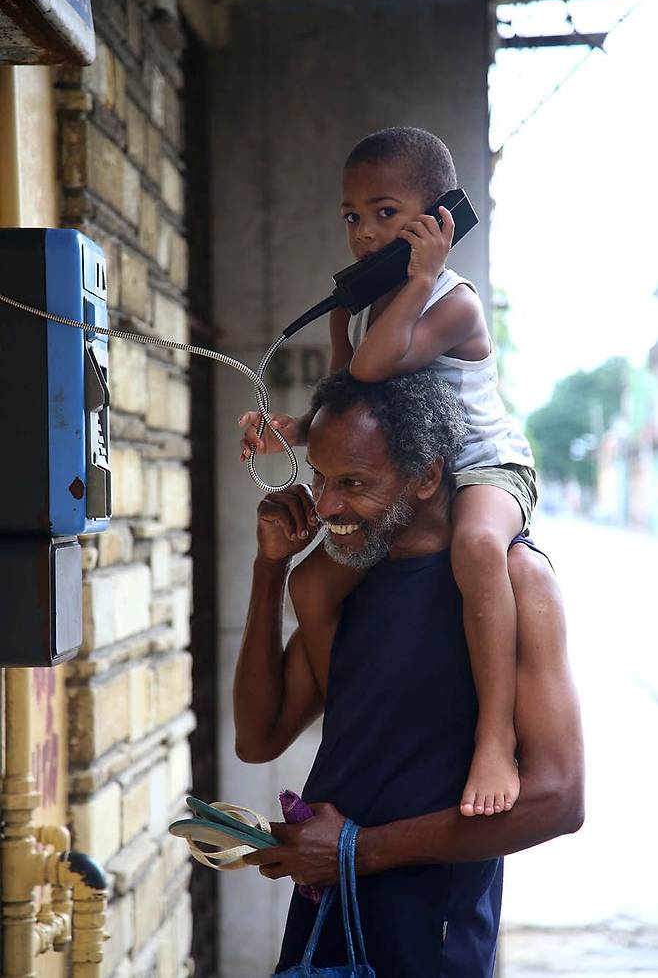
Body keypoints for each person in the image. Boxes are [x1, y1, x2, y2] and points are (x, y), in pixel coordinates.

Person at [233, 368, 584, 978]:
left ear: (427, 476)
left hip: (432, 941)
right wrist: (270, 571)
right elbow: (257, 737)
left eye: (353, 483)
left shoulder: (517, 582)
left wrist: (354, 850)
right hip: (323, 929)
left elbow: (559, 801)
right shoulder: (339, 585)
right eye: (319, 477)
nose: (325, 504)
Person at [239, 127, 536, 817]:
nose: (365, 233)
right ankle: (350, 721)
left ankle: (495, 732)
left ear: (438, 221)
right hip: (415, 483)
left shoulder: (453, 300)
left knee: (476, 545)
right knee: (313, 578)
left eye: (384, 212)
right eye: (352, 217)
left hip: (487, 467)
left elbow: (374, 368)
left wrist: (423, 273)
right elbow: (352, 394)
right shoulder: (378, 305)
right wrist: (294, 428)